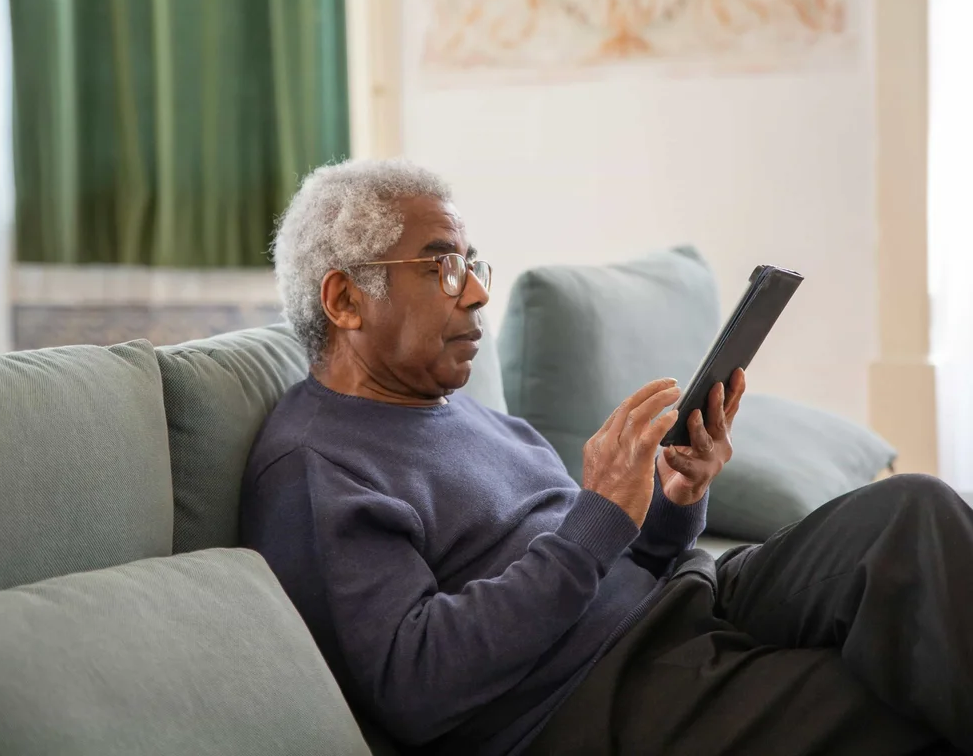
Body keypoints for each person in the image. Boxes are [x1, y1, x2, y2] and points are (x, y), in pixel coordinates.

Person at [239, 159, 973, 756]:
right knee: (897, 704)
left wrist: (673, 504)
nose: (478, 293)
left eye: (471, 262)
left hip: (689, 600)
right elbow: (418, 685)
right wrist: (594, 520)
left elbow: (621, 559)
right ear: (344, 300)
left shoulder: (464, 413)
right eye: (442, 268)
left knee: (914, 510)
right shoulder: (317, 467)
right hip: (599, 692)